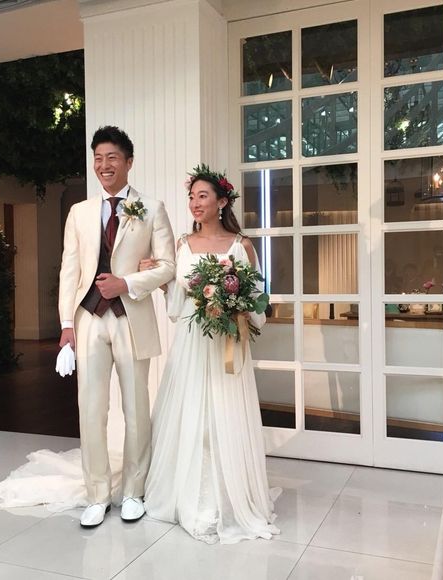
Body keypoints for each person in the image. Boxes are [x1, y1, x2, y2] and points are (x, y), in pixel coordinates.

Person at [140, 165, 279, 544]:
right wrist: (157, 276)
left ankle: (226, 497)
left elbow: (257, 299)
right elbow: (176, 296)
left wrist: (236, 305)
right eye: (191, 197)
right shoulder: (182, 244)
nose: (194, 203)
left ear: (221, 202)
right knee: (189, 411)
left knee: (224, 413)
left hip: (225, 342)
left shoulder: (241, 245)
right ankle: (185, 494)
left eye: (202, 196)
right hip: (191, 339)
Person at [58, 126, 175, 528]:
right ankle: (96, 494)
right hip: (88, 318)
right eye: (98, 158)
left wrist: (127, 283)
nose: (104, 165)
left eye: (111, 158)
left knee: (136, 407)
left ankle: (133, 491)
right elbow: (69, 270)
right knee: (90, 407)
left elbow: (168, 266)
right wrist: (66, 324)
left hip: (131, 317)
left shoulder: (152, 208)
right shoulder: (80, 212)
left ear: (128, 162)